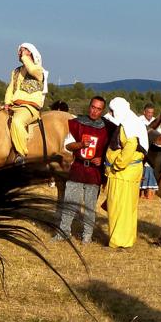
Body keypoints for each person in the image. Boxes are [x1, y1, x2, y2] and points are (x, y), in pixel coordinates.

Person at [52, 96, 108, 244]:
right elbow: (68, 146)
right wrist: (81, 144)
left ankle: (86, 237)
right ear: (89, 106)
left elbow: (110, 151)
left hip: (94, 173)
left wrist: (102, 160)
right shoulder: (77, 124)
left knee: (89, 208)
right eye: (93, 107)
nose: (94, 111)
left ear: (102, 110)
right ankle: (63, 233)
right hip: (77, 168)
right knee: (69, 203)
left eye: (98, 109)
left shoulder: (107, 129)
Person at [103, 97, 148, 249]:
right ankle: (127, 239)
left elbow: (130, 145)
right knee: (128, 208)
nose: (110, 113)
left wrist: (117, 165)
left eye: (112, 110)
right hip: (129, 173)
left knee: (118, 207)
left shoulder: (128, 125)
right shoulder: (133, 122)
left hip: (122, 174)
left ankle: (118, 241)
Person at [3, 43, 48, 163]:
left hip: (29, 107)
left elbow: (33, 70)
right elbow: (10, 88)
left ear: (31, 52)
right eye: (19, 51)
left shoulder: (38, 69)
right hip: (14, 106)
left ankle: (20, 154)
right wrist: (7, 103)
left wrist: (25, 58)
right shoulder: (16, 71)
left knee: (17, 122)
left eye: (23, 50)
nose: (19, 53)